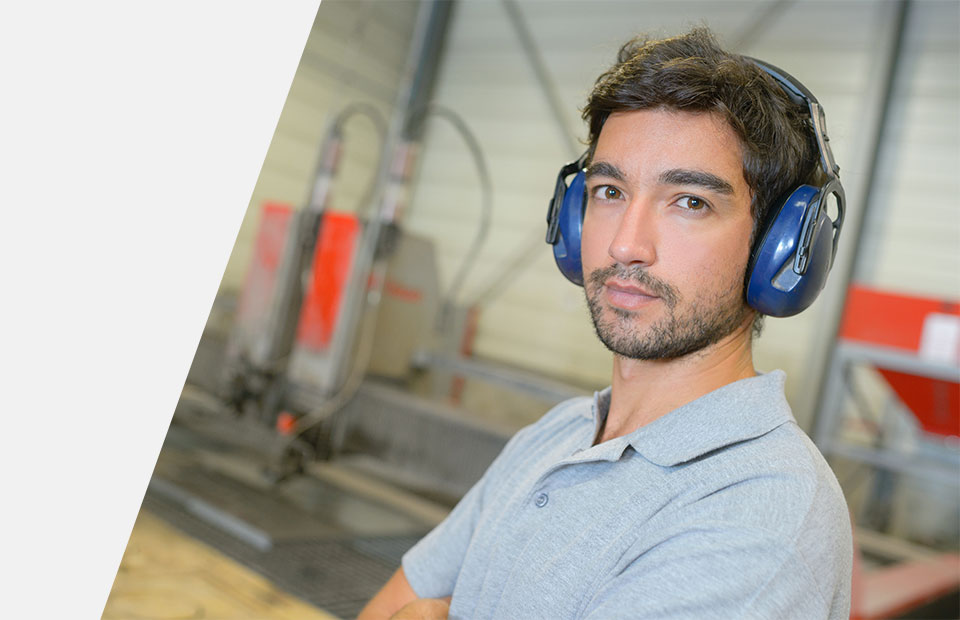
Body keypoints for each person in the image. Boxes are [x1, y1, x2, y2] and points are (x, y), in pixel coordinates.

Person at [359, 27, 851, 620]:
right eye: (609, 191)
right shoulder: (558, 434)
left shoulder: (763, 512)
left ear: (780, 250)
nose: (625, 245)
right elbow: (389, 605)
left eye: (690, 202)